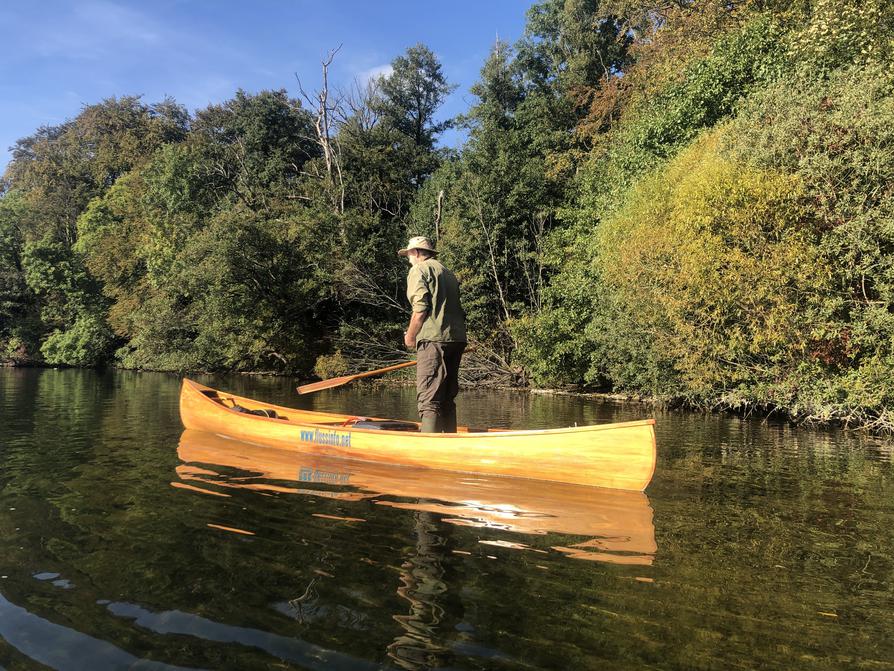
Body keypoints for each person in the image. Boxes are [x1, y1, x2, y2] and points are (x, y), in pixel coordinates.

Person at [399, 235, 467, 433]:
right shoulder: (448, 272)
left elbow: (420, 309)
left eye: (409, 254)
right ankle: (449, 443)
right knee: (446, 398)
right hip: (457, 339)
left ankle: (428, 449)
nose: (408, 258)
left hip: (433, 340)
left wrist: (410, 337)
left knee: (428, 398)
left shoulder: (418, 270)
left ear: (418, 253)